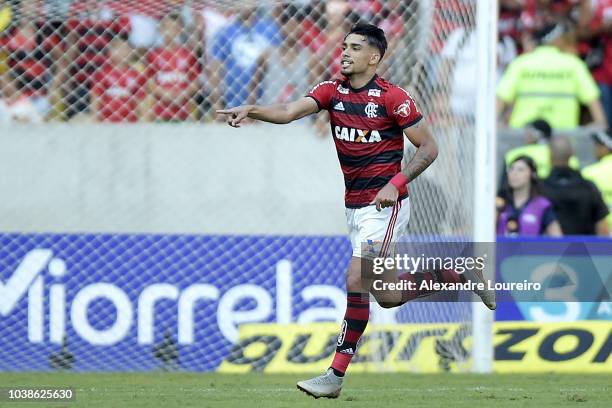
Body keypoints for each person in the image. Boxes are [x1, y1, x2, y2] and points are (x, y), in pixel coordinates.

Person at [217, 23, 495, 399]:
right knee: (388, 294)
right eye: (344, 46)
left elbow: (429, 148)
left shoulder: (393, 98)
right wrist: (253, 109)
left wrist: (394, 184)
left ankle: (334, 375)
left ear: (374, 57)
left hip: (387, 206)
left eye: (354, 47)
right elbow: (287, 110)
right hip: (354, 207)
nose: (344, 52)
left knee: (355, 279)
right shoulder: (331, 91)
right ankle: (462, 273)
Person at [496, 21, 607, 129]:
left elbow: (496, 111)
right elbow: (600, 121)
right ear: (558, 40)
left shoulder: (519, 64)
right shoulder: (574, 65)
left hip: (523, 143)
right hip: (562, 144)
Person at [542, 136, 609, 235]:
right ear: (572, 153)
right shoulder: (588, 187)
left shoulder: (541, 188)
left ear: (550, 155)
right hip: (586, 248)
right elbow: (602, 227)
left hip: (551, 248)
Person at [144, 11, 200, 122]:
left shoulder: (188, 54)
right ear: (160, 30)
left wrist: (184, 94)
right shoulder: (153, 55)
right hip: (160, 111)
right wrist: (163, 93)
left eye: (174, 27)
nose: (170, 31)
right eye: (166, 27)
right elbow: (149, 81)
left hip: (185, 110)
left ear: (180, 30)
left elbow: (196, 80)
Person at [497, 156, 563, 236]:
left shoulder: (541, 205)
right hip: (500, 248)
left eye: (520, 170)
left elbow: (557, 238)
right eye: (511, 169)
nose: (514, 173)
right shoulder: (500, 202)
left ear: (532, 174)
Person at [91, 35, 146, 122]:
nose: (123, 52)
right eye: (119, 48)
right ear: (110, 52)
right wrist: (95, 119)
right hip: (107, 121)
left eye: (126, 49)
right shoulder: (102, 73)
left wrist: (141, 120)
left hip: (130, 122)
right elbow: (95, 97)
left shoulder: (136, 74)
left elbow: (140, 100)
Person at [504, 119, 579, 178]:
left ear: (537, 134)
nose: (526, 135)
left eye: (529, 132)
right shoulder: (561, 152)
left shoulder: (514, 154)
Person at [582, 129, 612, 231]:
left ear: (607, 147)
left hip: (603, 229)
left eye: (598, 144)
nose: (595, 148)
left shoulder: (589, 173)